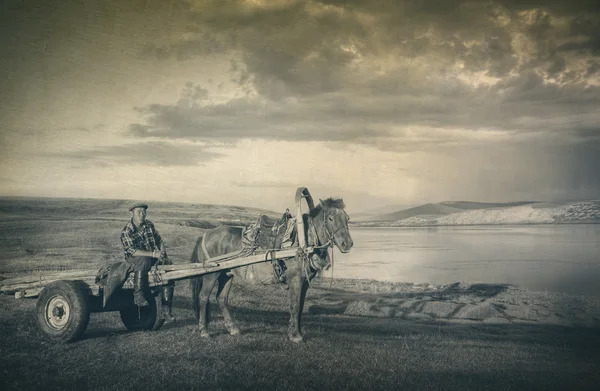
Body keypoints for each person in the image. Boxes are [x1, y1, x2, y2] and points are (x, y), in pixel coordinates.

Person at [120, 202, 175, 322]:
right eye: (138, 212)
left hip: (151, 258)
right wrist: (153, 254)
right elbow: (132, 251)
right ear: (132, 213)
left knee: (168, 264)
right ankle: (138, 295)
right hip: (134, 261)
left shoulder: (149, 225)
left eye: (144, 212)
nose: (142, 215)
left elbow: (159, 240)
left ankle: (166, 309)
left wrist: (162, 253)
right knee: (143, 259)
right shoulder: (127, 231)